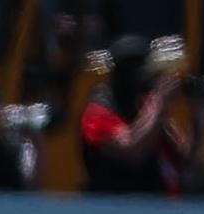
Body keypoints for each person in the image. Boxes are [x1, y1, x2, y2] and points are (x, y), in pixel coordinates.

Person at [79, 36, 192, 197]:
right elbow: (132, 150)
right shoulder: (97, 112)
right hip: (115, 208)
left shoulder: (145, 106)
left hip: (159, 206)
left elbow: (183, 155)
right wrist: (158, 102)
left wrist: (198, 112)